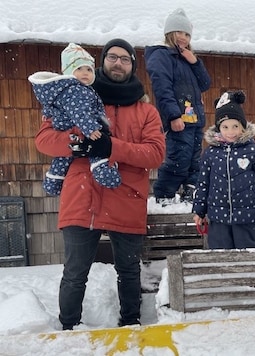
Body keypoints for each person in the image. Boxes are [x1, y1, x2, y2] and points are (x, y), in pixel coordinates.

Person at [34, 38, 166, 330]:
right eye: (112, 57)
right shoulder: (75, 97)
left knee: (129, 271)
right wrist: (74, 143)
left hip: (126, 195)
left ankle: (130, 325)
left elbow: (155, 154)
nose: (118, 62)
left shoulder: (147, 112)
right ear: (102, 62)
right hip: (82, 196)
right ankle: (68, 328)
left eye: (125, 59)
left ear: (132, 66)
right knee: (74, 271)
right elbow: (43, 139)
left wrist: (111, 146)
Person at [28, 43, 120, 196]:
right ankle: (104, 172)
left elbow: (55, 105)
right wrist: (90, 129)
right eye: (79, 69)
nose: (85, 73)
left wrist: (48, 114)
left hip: (63, 126)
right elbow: (78, 112)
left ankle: (53, 181)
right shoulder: (78, 90)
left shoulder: (65, 89)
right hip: (78, 127)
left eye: (89, 69)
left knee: (63, 158)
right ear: (69, 72)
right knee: (96, 150)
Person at [192, 90, 255, 249]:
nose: (230, 132)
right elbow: (203, 184)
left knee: (249, 258)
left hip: (248, 219)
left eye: (235, 126)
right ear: (218, 128)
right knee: (221, 258)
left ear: (243, 127)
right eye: (225, 127)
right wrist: (199, 211)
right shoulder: (210, 154)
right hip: (219, 220)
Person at [145, 8, 211, 206]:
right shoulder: (162, 56)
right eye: (179, 32)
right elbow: (162, 88)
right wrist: (173, 116)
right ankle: (164, 196)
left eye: (187, 34)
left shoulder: (188, 59)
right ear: (170, 33)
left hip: (195, 120)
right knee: (178, 160)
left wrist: (196, 62)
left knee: (194, 162)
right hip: (179, 120)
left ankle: (191, 194)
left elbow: (205, 84)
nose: (183, 37)